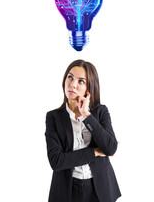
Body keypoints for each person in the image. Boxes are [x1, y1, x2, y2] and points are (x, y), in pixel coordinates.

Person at [45, 59, 121, 202]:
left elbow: (110, 148)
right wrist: (95, 152)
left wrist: (86, 115)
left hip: (100, 190)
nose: (72, 84)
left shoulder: (100, 112)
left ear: (89, 88)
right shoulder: (53, 117)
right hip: (67, 190)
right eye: (70, 77)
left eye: (81, 81)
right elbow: (56, 161)